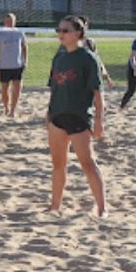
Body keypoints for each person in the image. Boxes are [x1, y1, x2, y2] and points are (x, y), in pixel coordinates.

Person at [46, 15, 106, 216]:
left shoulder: (88, 58)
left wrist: (99, 121)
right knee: (58, 164)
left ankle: (102, 208)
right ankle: (55, 206)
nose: (61, 34)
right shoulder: (59, 57)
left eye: (65, 30)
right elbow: (54, 89)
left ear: (78, 33)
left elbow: (98, 93)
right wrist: (48, 115)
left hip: (78, 117)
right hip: (58, 116)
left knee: (88, 163)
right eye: (59, 30)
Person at [0, 13, 27, 117]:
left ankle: (13, 110)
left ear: (15, 22)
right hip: (4, 66)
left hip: (17, 65)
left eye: (11, 21)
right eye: (7, 21)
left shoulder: (19, 33)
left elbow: (24, 47)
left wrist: (25, 61)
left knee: (17, 89)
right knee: (4, 90)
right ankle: (6, 108)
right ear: (4, 22)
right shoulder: (0, 34)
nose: (9, 23)